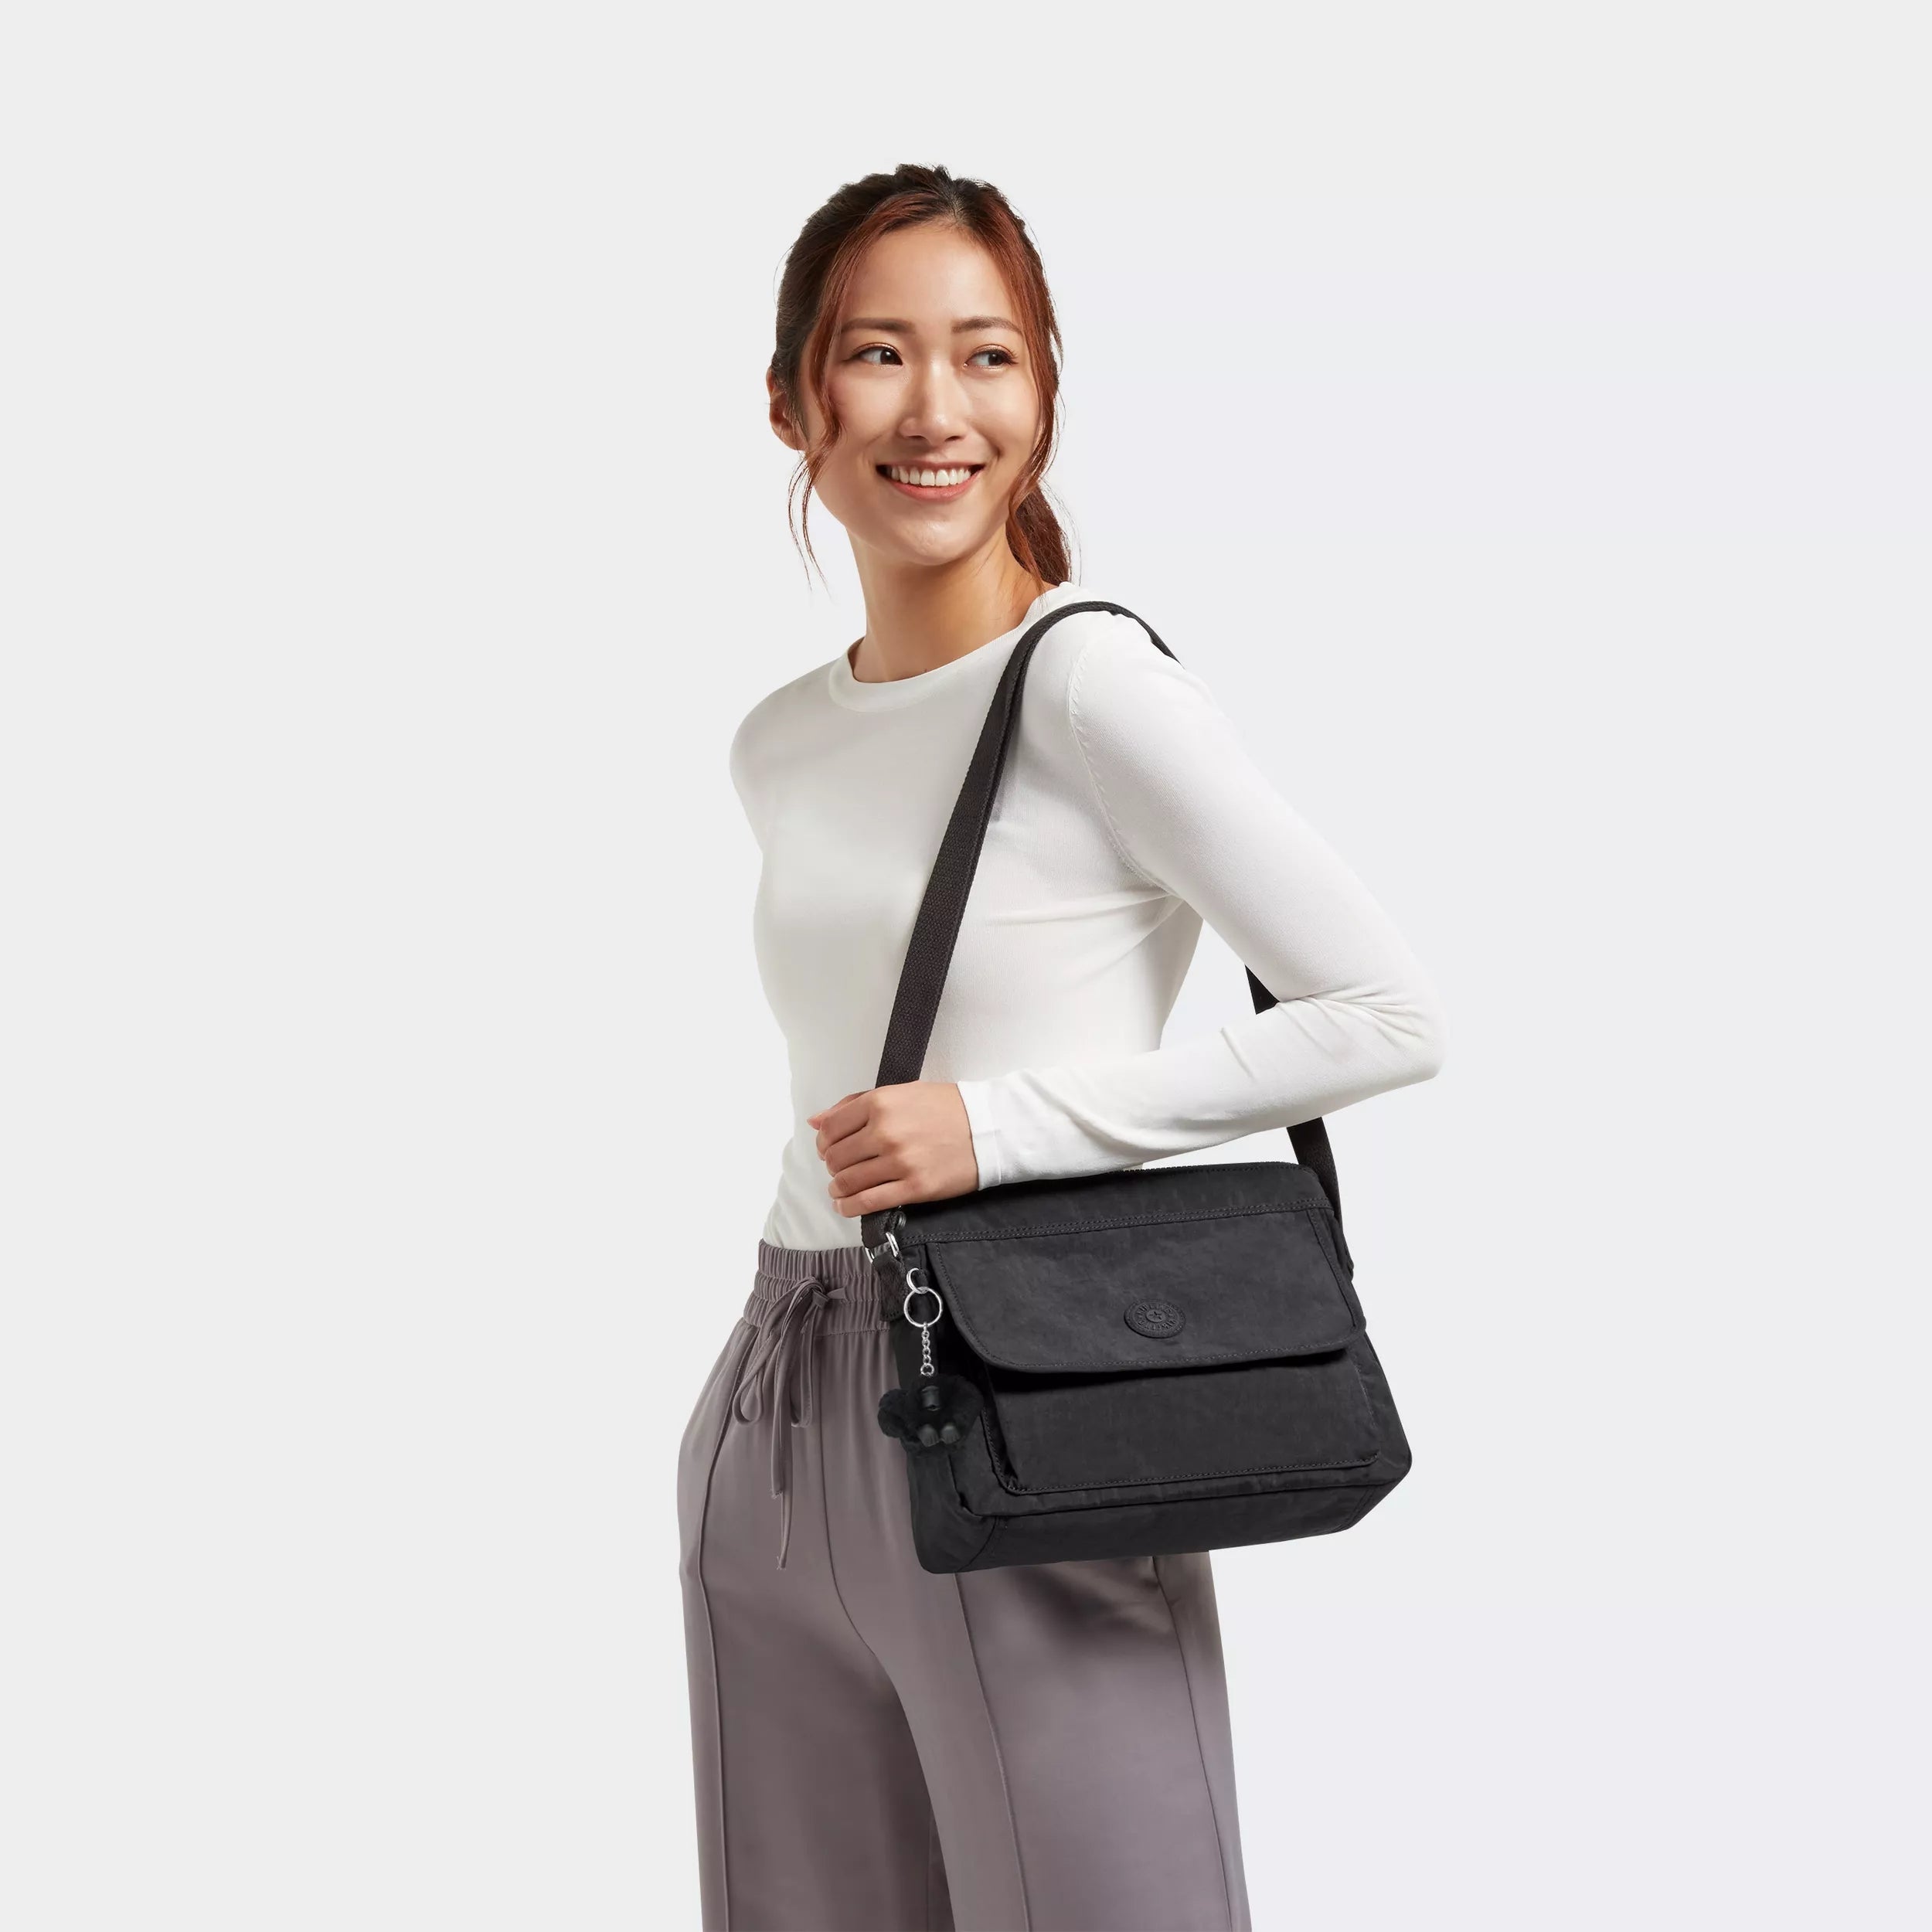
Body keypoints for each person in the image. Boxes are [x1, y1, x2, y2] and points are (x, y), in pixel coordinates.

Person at [676, 162, 1447, 1932]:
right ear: (792, 401)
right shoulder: (777, 741)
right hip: (775, 1409)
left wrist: (996, 1127)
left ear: (1040, 396)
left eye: (987, 354)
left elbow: (1386, 1010)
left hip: (1026, 1401)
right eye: (876, 352)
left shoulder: (1092, 687)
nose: (933, 409)